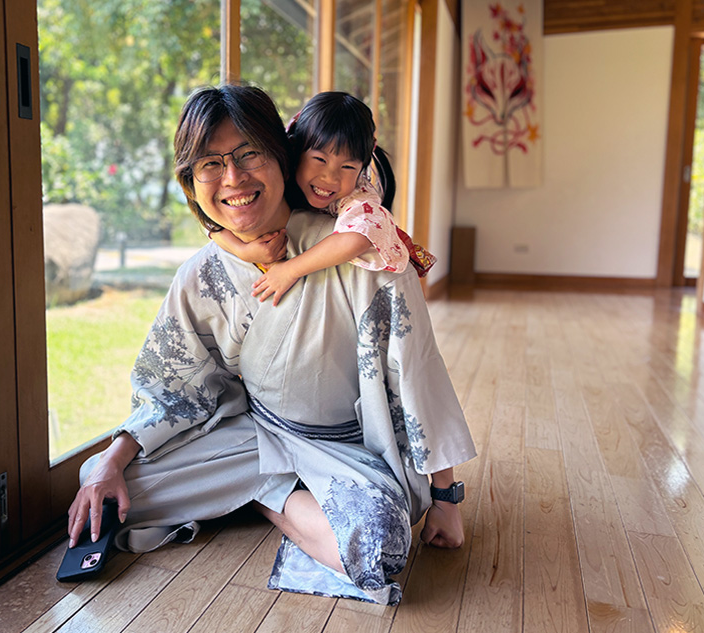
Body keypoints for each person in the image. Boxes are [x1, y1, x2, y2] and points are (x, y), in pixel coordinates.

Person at [67, 84, 476, 605]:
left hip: (348, 450)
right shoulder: (202, 273)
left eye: (248, 155)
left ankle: (263, 495)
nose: (233, 179)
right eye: (211, 164)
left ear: (283, 156)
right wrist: (112, 458)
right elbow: (170, 388)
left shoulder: (365, 255)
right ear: (192, 182)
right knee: (108, 492)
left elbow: (418, 377)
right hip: (256, 435)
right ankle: (270, 486)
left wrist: (445, 496)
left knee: (378, 548)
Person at [210, 91, 436, 306]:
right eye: (319, 159)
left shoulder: (358, 197)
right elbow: (212, 223)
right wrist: (242, 250)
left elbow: (357, 238)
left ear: (361, 170)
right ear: (295, 149)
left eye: (348, 166)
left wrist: (291, 270)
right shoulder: (276, 173)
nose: (330, 177)